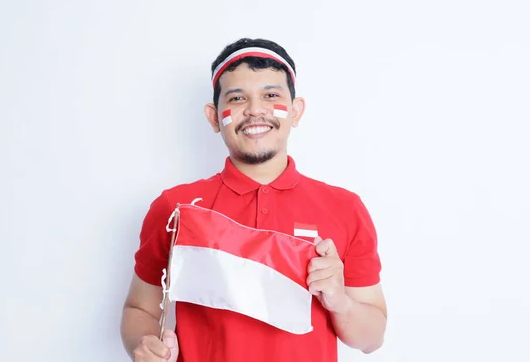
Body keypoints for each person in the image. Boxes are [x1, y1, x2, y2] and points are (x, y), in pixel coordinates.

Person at [120, 38, 387, 362]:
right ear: (214, 117)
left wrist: (339, 301)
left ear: (296, 110)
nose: (255, 109)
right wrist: (146, 344)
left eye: (271, 95)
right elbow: (139, 308)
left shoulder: (345, 208)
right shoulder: (175, 207)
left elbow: (372, 338)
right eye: (237, 98)